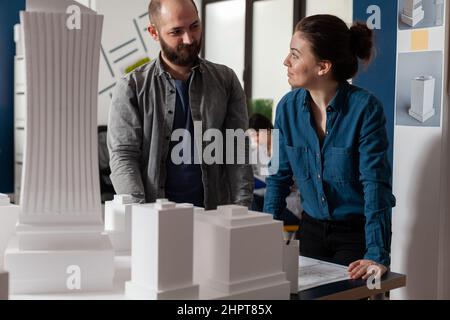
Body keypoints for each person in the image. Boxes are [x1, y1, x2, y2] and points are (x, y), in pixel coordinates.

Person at [263, 15, 396, 280]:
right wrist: (262, 239)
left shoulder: (365, 109)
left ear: (323, 67)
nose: (286, 62)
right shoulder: (286, 108)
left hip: (356, 237)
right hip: (310, 230)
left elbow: (375, 185)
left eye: (295, 55)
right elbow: (278, 177)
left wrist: (376, 254)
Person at [107, 0, 253, 209]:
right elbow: (123, 156)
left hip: (213, 215)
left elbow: (236, 149)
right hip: (154, 215)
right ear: (154, 33)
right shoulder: (131, 87)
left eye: (194, 26)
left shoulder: (225, 80)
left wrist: (241, 210)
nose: (189, 38)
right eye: (176, 31)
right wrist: (140, 214)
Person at [248, 113, 301, 226]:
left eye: (257, 134)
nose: (255, 139)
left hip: (289, 204)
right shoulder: (259, 152)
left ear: (268, 130)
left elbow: (288, 184)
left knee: (256, 214)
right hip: (267, 199)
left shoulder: (285, 149)